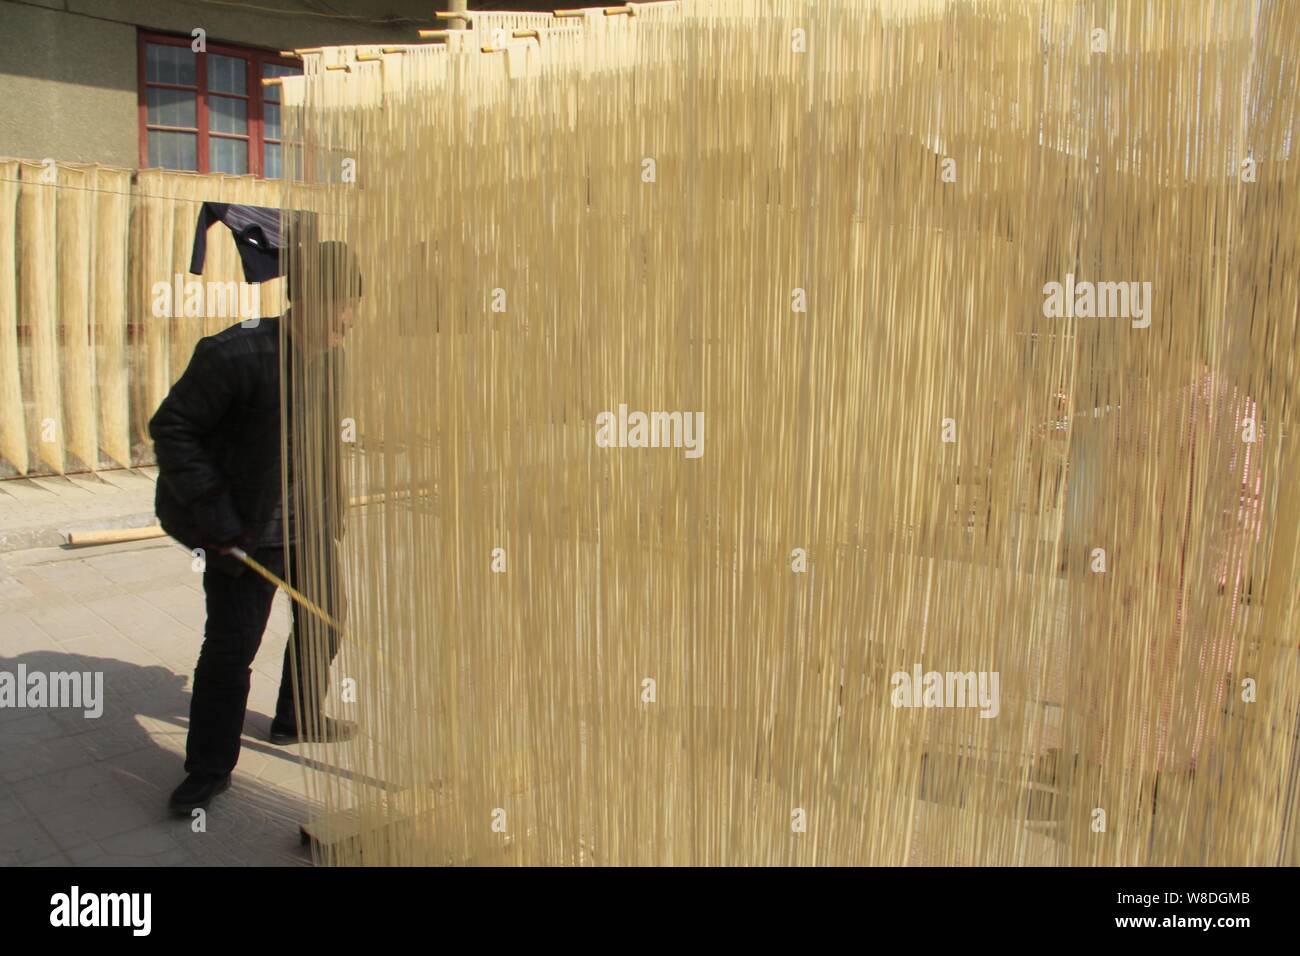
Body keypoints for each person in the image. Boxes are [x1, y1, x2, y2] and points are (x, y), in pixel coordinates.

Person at [149, 240, 361, 815]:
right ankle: (208, 771)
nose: (350, 316)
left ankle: (297, 717)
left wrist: (332, 504)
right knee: (230, 650)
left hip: (308, 525)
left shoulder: (333, 357)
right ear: (309, 301)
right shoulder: (236, 354)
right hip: (244, 534)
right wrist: (217, 518)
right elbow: (173, 429)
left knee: (328, 621)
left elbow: (321, 439)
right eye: (343, 302)